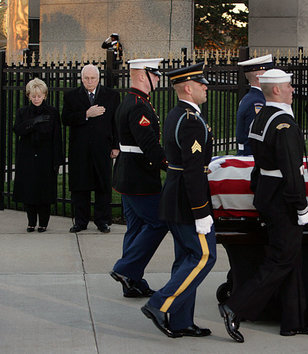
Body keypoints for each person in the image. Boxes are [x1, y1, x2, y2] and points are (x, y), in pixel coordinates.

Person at [218, 69, 308, 342]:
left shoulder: (261, 117)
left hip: (267, 193)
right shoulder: (283, 123)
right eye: (288, 86)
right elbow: (292, 171)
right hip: (283, 200)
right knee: (281, 259)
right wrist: (301, 207)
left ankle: (293, 320)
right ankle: (233, 307)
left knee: (291, 258)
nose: (292, 90)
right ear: (276, 90)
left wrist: (259, 193)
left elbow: (258, 166)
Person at [141, 63, 216, 338]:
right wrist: (201, 212)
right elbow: (193, 169)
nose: (206, 87)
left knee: (186, 257)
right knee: (204, 256)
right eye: (201, 84)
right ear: (187, 87)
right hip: (188, 200)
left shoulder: (178, 114)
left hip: (176, 194)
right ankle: (159, 304)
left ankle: (181, 321)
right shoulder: (191, 120)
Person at [110, 58, 169, 298]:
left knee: (135, 229)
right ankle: (125, 269)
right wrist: (170, 165)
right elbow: (149, 146)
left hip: (128, 175)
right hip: (140, 178)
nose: (158, 79)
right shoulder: (139, 106)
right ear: (143, 76)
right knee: (158, 222)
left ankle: (132, 282)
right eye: (155, 75)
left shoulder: (131, 101)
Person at [62, 64, 120, 233]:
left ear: (98, 78)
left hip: (103, 148)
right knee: (80, 186)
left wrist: (116, 146)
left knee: (102, 185)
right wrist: (86, 114)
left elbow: (116, 122)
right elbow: (65, 118)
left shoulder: (111, 96)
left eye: (92, 78)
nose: (89, 81)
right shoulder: (71, 96)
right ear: (81, 79)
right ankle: (81, 221)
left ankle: (102, 221)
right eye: (86, 78)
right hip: (80, 150)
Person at [13, 78, 64, 233]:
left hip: (46, 156)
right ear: (29, 96)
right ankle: (31, 222)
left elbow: (57, 136)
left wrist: (57, 159)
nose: (36, 99)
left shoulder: (53, 112)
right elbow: (18, 130)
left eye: (39, 96)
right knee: (29, 190)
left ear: (44, 96)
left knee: (44, 190)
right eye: (33, 96)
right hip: (28, 156)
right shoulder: (23, 112)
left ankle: (43, 223)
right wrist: (35, 121)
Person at [235, 54, 274, 155]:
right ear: (259, 77)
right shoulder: (257, 102)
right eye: (268, 73)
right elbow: (256, 135)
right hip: (251, 156)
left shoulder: (251, 98)